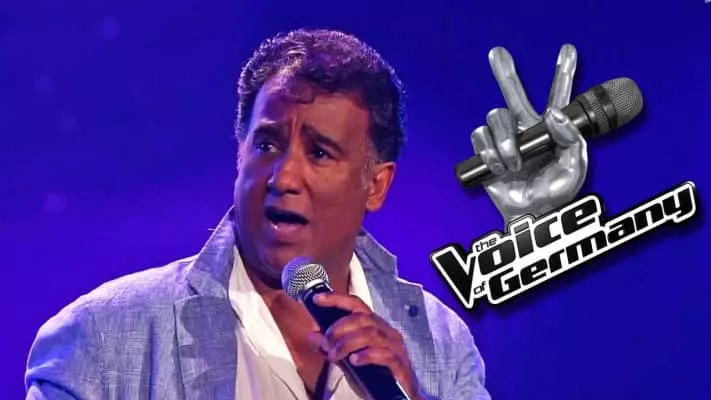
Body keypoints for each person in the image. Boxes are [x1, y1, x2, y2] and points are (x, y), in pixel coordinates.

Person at [25, 28, 586, 399]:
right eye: (267, 144)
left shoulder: (439, 343)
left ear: (376, 185)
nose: (284, 177)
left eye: (319, 153)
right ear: (240, 154)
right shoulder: (101, 337)